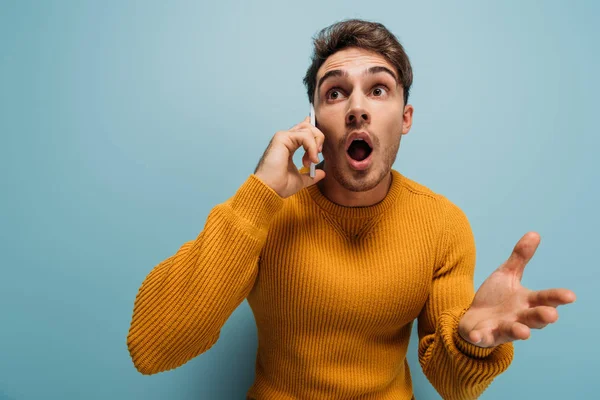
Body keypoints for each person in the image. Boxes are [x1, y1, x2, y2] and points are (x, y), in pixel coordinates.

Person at [126, 19, 576, 399]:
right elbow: (151, 348)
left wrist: (470, 341)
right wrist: (259, 193)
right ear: (314, 122)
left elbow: (454, 385)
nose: (357, 107)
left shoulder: (442, 225)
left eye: (378, 89)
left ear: (405, 118)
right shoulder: (265, 212)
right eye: (335, 93)